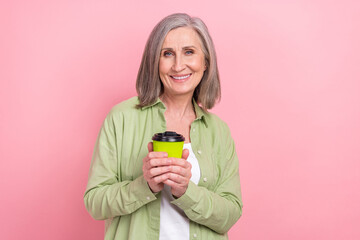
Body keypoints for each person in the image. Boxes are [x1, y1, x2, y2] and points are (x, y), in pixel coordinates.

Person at [84, 13, 243, 240]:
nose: (178, 66)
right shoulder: (121, 118)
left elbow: (231, 212)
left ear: (205, 62)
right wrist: (144, 185)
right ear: (154, 61)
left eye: (189, 52)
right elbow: (95, 203)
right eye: (167, 54)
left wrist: (187, 191)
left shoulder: (218, 131)